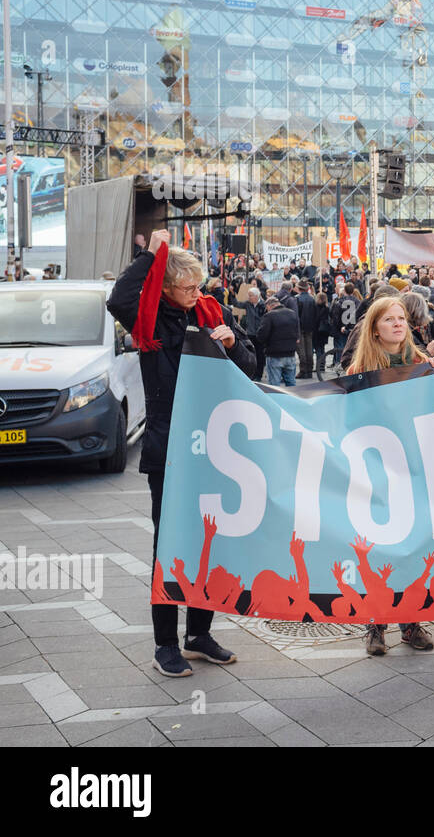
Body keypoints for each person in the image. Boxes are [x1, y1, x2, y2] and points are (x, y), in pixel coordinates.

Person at [107, 230, 255, 678]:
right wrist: (151, 254)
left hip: (215, 450)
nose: (197, 293)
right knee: (171, 547)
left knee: (210, 543)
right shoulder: (147, 317)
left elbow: (253, 366)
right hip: (170, 450)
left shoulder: (213, 312)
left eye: (199, 285)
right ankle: (164, 644)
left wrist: (232, 346)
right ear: (166, 286)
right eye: (187, 287)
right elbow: (120, 297)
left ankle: (199, 634)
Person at [346, 297, 434, 653]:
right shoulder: (360, 368)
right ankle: (375, 624)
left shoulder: (420, 364)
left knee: (414, 546)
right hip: (377, 468)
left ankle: (411, 621)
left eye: (401, 318)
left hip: (415, 467)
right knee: (379, 547)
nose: (398, 324)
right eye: (389, 319)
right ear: (374, 328)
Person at [257, 296, 302, 387]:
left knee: (274, 386)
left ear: (269, 306)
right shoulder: (292, 313)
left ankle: (276, 401)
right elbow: (297, 331)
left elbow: (261, 335)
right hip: (290, 353)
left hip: (274, 354)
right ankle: (292, 401)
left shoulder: (269, 316)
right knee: (291, 383)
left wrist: (265, 344)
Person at [294, 281, 319, 378]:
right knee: (309, 349)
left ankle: (303, 370)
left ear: (299, 288)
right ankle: (309, 370)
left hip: (300, 327)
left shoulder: (297, 299)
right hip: (310, 327)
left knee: (301, 350)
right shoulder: (312, 299)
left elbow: (296, 315)